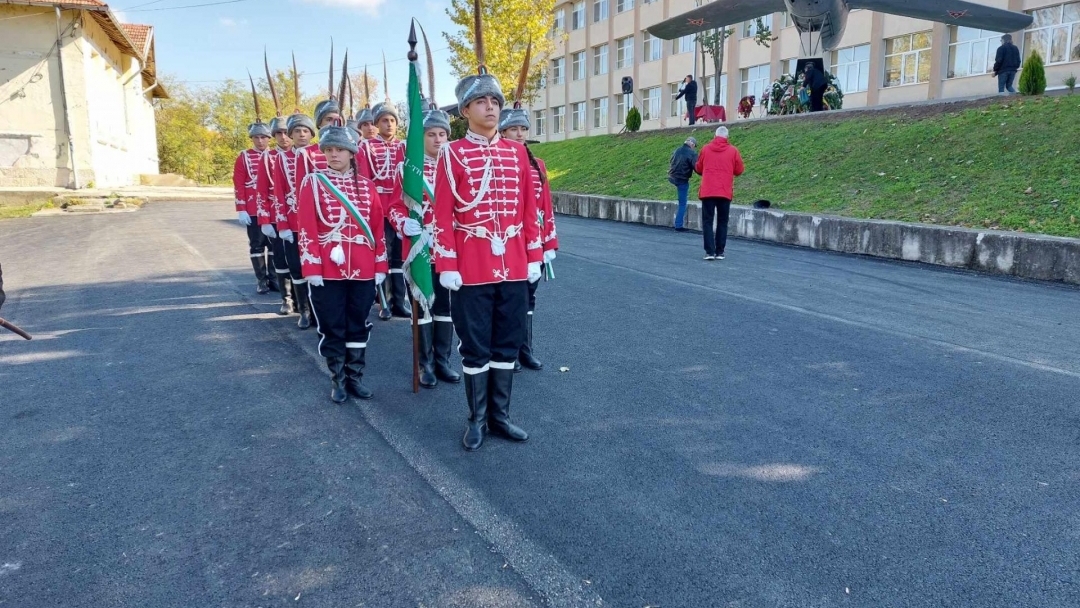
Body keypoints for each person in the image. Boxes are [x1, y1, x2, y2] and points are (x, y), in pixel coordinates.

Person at [434, 33, 543, 451]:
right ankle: (476, 419)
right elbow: (443, 214)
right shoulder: (453, 154)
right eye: (482, 102)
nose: (491, 108)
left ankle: (501, 417)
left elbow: (528, 209)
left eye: (495, 102)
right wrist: (447, 265)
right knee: (476, 346)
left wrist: (533, 255)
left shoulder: (518, 154)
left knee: (507, 342)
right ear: (465, 111)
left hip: (513, 263)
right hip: (473, 265)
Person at [297, 123, 388, 403]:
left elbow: (376, 228)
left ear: (351, 153)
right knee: (332, 324)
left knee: (358, 322)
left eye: (340, 150)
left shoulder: (367, 186)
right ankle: (337, 379)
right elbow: (307, 228)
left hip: (362, 266)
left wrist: (380, 266)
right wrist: (311, 267)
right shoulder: (313, 183)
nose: (334, 154)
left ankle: (355, 377)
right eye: (329, 150)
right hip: (327, 268)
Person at [388, 104, 462, 388]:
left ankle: (443, 361)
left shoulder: (456, 167)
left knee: (446, 307)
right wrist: (401, 223)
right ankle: (425, 364)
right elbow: (394, 207)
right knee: (422, 308)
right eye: (431, 134)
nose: (438, 139)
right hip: (419, 248)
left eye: (443, 133)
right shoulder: (407, 171)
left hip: (448, 249)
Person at [499, 96, 558, 373]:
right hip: (508, 238)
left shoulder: (539, 164)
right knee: (509, 298)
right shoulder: (498, 160)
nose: (520, 134)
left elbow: (545, 205)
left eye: (523, 129)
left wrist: (549, 242)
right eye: (513, 129)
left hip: (532, 239)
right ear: (503, 132)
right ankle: (505, 353)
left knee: (528, 297)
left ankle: (525, 350)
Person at [270, 105, 319, 330]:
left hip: (319, 221)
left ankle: (319, 309)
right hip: (294, 221)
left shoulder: (322, 153)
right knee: (298, 267)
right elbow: (278, 193)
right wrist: (282, 224)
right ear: (290, 134)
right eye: (297, 130)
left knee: (319, 267)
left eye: (305, 130)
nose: (301, 134)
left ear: (311, 133)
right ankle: (304, 310)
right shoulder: (281, 159)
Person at [364, 101, 412, 320]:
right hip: (378, 208)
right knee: (382, 254)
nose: (389, 124)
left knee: (399, 258)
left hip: (400, 209)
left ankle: (400, 302)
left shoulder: (404, 147)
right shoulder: (367, 147)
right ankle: (384, 303)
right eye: (385, 120)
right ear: (376, 123)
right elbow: (365, 180)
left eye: (393, 120)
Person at [233, 116, 277, 294]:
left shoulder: (275, 155)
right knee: (257, 244)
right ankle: (261, 280)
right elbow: (239, 183)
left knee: (274, 245)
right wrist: (241, 209)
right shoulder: (244, 157)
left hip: (273, 208)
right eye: (256, 137)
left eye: (264, 137)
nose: (260, 141)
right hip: (252, 208)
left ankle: (275, 279)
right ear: (252, 139)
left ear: (269, 138)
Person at [694, 126, 744, 261]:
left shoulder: (705, 149)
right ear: (727, 137)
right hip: (724, 191)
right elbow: (739, 170)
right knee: (723, 221)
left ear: (715, 135)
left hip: (708, 191)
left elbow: (698, 168)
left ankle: (709, 251)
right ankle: (720, 251)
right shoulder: (733, 151)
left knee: (707, 221)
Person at [668, 136, 698, 232]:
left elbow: (671, 161)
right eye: (694, 146)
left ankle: (678, 224)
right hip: (682, 180)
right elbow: (697, 167)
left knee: (681, 201)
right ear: (692, 144)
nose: (694, 148)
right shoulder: (692, 153)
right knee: (682, 203)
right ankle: (678, 225)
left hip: (672, 177)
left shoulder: (676, 150)